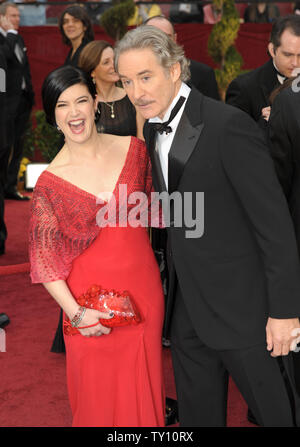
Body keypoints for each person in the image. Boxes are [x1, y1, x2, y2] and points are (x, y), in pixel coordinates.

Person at [115, 25, 300, 427]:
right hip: (188, 311)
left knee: (277, 416)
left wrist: (285, 312)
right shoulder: (151, 127)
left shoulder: (226, 125)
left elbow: (274, 225)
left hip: (246, 312)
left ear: (175, 69)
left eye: (145, 77)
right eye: (127, 81)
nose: (136, 91)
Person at [29, 65, 165, 427]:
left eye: (81, 101)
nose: (74, 113)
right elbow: (45, 264)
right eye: (62, 105)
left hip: (144, 291)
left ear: (96, 104)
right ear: (52, 116)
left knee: (144, 385)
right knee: (96, 396)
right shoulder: (49, 183)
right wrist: (75, 313)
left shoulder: (134, 150)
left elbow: (160, 211)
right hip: (87, 304)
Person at [226, 15, 300, 127]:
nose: (295, 63)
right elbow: (234, 137)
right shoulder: (244, 88)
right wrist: (264, 123)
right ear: (272, 50)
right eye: (288, 55)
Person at [0, 2, 34, 201]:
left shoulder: (18, 38)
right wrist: (11, 34)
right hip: (6, 104)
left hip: (22, 101)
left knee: (18, 144)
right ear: (2, 17)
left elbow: (24, 69)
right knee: (5, 145)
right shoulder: (7, 38)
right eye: (12, 16)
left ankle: (11, 187)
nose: (16, 20)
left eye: (18, 16)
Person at [144, 15, 220, 100]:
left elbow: (212, 111)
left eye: (167, 37)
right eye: (154, 37)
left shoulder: (203, 74)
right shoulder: (129, 73)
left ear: (175, 39)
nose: (161, 42)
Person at [78, 40, 144, 138]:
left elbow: (141, 141)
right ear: (92, 72)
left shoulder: (133, 95)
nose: (114, 65)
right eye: (106, 62)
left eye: (115, 59)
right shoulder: (84, 103)